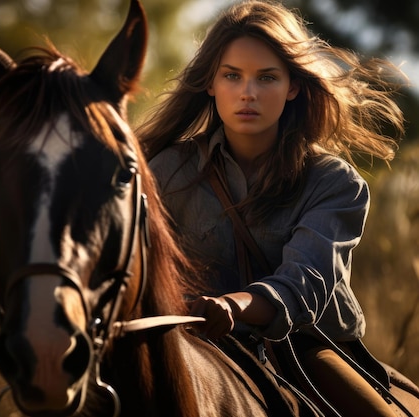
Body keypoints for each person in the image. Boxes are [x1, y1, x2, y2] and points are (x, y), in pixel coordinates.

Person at [135, 1, 416, 416]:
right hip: (190, 344)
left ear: (294, 86)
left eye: (266, 77)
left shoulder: (335, 183)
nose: (248, 92)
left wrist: (232, 306)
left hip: (306, 349)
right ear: (210, 83)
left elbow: (304, 285)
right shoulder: (165, 171)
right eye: (232, 75)